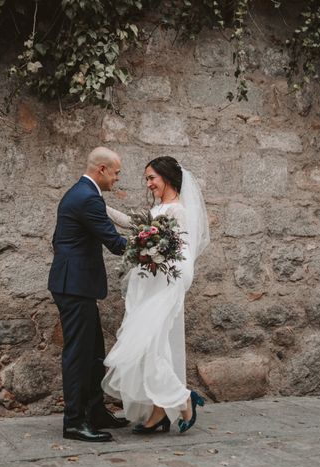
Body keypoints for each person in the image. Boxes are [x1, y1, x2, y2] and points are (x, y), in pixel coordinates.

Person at [102, 156, 210, 434]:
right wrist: (100, 204)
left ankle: (181, 398)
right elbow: (133, 224)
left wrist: (155, 254)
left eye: (152, 178)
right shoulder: (159, 208)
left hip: (167, 284)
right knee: (153, 346)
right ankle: (160, 410)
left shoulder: (178, 211)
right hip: (150, 283)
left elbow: (182, 253)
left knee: (149, 343)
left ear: (167, 178)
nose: (148, 184)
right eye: (147, 178)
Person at [48, 147, 130, 442]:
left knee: (94, 351)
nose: (118, 178)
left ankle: (95, 411)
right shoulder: (88, 198)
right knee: (79, 355)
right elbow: (115, 242)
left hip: (75, 284)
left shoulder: (82, 193)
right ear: (102, 170)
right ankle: (73, 422)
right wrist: (151, 246)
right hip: (74, 285)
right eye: (117, 172)